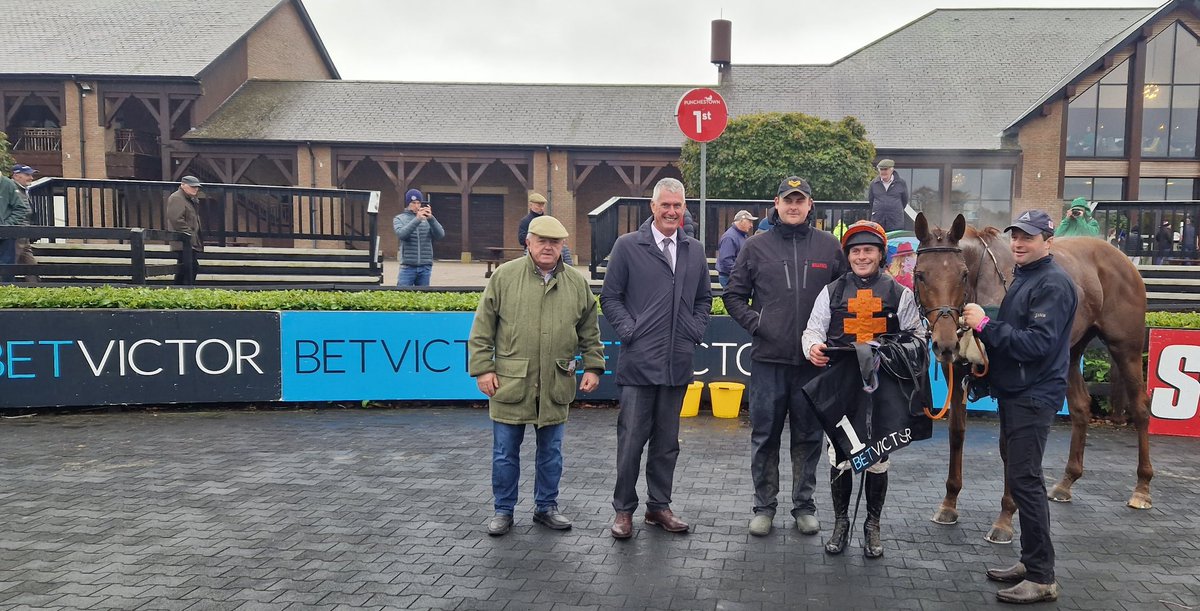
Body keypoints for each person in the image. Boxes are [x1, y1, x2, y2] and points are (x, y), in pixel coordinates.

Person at [963, 209, 1077, 604]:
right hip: (1018, 393)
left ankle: (1043, 576)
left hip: (1033, 396)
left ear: (1048, 240)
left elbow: (1036, 344)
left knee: (1026, 482)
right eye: (1015, 236)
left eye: (1028, 237)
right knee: (1024, 479)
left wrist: (985, 327)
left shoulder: (1053, 283)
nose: (1018, 243)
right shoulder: (1027, 277)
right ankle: (1031, 562)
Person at [723, 176, 847, 537]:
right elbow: (733, 295)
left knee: (808, 437)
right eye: (787, 200)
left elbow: (844, 298)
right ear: (775, 204)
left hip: (813, 364)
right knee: (765, 436)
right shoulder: (755, 247)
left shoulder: (829, 247)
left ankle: (804, 506)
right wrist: (758, 323)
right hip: (768, 362)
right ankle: (764, 507)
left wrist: (832, 340)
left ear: (810, 205)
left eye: (800, 200)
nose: (793, 206)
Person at [468, 215, 605, 536]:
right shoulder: (503, 277)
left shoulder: (576, 283)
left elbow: (590, 330)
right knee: (504, 454)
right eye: (541, 241)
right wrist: (483, 368)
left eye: (554, 242)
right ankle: (503, 510)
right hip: (510, 383)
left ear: (562, 246)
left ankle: (546, 507)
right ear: (527, 242)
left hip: (556, 384)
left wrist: (594, 366)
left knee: (551, 454)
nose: (548, 247)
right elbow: (482, 329)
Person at [801, 220, 927, 558]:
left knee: (877, 459)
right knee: (841, 455)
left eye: (868, 250)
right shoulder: (832, 292)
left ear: (880, 254)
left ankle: (872, 525)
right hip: (842, 387)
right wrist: (811, 347)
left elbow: (918, 338)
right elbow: (813, 330)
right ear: (848, 255)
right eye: (855, 251)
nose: (861, 256)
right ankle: (841, 523)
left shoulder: (900, 294)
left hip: (882, 389)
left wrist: (887, 351)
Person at [600, 177, 712, 540]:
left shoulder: (694, 249)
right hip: (639, 365)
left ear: (684, 209)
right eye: (665, 205)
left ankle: (658, 507)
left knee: (667, 443)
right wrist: (631, 331)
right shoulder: (628, 246)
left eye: (677, 206)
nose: (671, 211)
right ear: (652, 207)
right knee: (631, 441)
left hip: (676, 363)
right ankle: (623, 510)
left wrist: (693, 330)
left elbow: (704, 299)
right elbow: (610, 297)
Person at [393, 188, 444, 286]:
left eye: (418, 203)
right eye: (413, 203)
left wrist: (431, 219)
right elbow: (402, 235)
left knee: (423, 298)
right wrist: (417, 219)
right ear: (408, 204)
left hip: (425, 267)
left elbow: (440, 234)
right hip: (407, 267)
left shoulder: (427, 220)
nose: (416, 206)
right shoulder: (399, 219)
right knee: (402, 295)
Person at [165, 175, 204, 285]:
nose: (195, 189)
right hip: (183, 241)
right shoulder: (177, 198)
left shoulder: (190, 200)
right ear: (183, 185)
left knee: (187, 268)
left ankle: (179, 291)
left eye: (197, 187)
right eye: (192, 186)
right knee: (189, 267)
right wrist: (190, 235)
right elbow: (176, 219)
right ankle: (181, 291)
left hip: (188, 241)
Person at [0, 166, 30, 283]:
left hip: (5, 236)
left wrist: (7, 225)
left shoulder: (7, 184)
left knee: (6, 267)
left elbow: (21, 209)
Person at [9, 164, 38, 283]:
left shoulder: (23, 190)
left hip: (24, 233)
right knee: (10, 263)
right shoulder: (11, 189)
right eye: (27, 175)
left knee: (31, 264)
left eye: (31, 175)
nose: (31, 178)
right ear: (16, 175)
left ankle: (36, 291)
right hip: (15, 233)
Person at [716, 209, 757, 287]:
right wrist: (741, 274)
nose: (751, 225)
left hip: (734, 276)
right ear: (742, 221)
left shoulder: (740, 235)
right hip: (730, 277)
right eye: (749, 222)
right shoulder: (729, 237)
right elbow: (726, 261)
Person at [867, 159, 909, 232]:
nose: (883, 172)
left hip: (895, 221)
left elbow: (904, 200)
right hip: (878, 221)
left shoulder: (901, 183)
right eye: (881, 169)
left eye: (885, 169)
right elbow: (871, 200)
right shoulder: (873, 184)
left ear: (892, 170)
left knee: (895, 241)